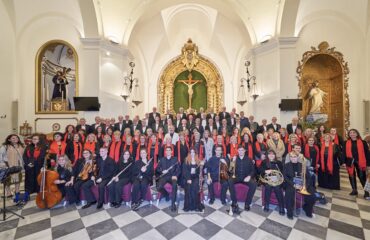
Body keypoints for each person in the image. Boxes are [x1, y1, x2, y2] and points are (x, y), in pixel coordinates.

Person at [283, 151, 316, 219]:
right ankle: (290, 212)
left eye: (294, 157)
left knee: (312, 195)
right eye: (291, 157)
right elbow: (285, 177)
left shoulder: (302, 165)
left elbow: (308, 177)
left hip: (303, 184)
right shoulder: (286, 165)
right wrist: (293, 185)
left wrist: (304, 186)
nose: (293, 158)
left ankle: (307, 209)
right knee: (289, 194)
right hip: (291, 183)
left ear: (297, 157)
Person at [228, 145, 257, 212]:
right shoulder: (234, 158)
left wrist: (249, 176)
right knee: (229, 181)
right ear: (237, 151)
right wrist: (232, 162)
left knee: (254, 184)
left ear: (244, 151)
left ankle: (247, 203)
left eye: (242, 150)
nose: (241, 151)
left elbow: (253, 170)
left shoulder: (249, 159)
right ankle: (234, 202)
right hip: (236, 177)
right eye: (239, 150)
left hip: (245, 177)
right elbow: (230, 171)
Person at [344, 129, 370, 198]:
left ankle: (366, 192)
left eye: (354, 133)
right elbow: (343, 153)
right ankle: (354, 190)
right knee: (351, 176)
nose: (352, 134)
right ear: (349, 134)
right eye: (350, 133)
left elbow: (367, 153)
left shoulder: (363, 142)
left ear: (357, 134)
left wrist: (368, 163)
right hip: (350, 161)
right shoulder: (346, 142)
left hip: (360, 162)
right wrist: (343, 162)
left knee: (362, 176)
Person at [22, 134, 47, 203]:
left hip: (38, 165)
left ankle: (39, 193)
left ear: (39, 140)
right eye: (33, 139)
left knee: (38, 179)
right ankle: (27, 193)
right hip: (29, 166)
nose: (34, 140)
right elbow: (24, 156)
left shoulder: (43, 147)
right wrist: (27, 163)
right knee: (29, 179)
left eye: (36, 139)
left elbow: (42, 157)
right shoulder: (28, 146)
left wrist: (33, 163)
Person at [0, 134, 25, 202]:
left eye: (16, 138)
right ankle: (8, 193)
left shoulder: (21, 146)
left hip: (18, 166)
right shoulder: (5, 147)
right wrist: (2, 164)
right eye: (13, 138)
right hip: (8, 166)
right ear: (9, 139)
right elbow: (1, 156)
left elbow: (23, 156)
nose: (15, 139)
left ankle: (17, 192)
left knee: (18, 179)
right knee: (7, 180)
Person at [260, 150, 284, 215]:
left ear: (275, 155)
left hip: (277, 180)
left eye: (273, 154)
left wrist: (277, 178)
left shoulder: (278, 163)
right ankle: (266, 204)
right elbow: (260, 170)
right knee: (268, 186)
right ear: (267, 155)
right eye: (269, 154)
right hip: (267, 180)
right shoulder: (264, 162)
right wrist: (265, 171)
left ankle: (281, 206)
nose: (271, 155)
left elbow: (282, 172)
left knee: (277, 188)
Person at [156, 146, 180, 212]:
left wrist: (175, 175)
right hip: (164, 176)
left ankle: (173, 204)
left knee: (174, 185)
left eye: (169, 150)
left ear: (171, 151)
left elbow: (178, 169)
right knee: (158, 187)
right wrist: (162, 171)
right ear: (165, 152)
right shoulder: (162, 159)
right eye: (167, 150)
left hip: (172, 176)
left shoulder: (175, 159)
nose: (168, 151)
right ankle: (166, 195)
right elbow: (157, 168)